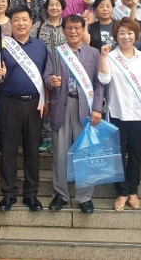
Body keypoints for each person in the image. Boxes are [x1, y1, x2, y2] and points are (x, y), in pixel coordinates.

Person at [43, 15, 104, 214]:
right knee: (60, 154)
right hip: (61, 105)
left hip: (85, 107)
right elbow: (46, 76)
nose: (73, 31)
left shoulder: (93, 53)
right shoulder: (56, 52)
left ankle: (85, 196)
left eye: (77, 27)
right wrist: (51, 82)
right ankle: (60, 194)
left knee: (84, 153)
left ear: (84, 29)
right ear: (63, 31)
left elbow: (99, 83)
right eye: (69, 28)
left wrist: (97, 108)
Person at [0, 6, 49, 212]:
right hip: (9, 103)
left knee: (32, 150)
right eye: (16, 20)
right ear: (11, 23)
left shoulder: (41, 47)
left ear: (31, 22)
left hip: (35, 104)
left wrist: (46, 101)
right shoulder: (1, 47)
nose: (21, 23)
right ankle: (8, 194)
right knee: (8, 150)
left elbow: (46, 76)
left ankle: (31, 194)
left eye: (25, 19)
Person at [98, 17, 141, 212]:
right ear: (116, 36)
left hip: (139, 113)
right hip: (117, 112)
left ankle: (133, 190)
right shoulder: (111, 57)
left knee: (136, 153)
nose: (126, 37)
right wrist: (103, 57)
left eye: (130, 33)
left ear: (136, 36)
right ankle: (121, 192)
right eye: (121, 33)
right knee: (119, 154)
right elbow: (104, 79)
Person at [31, 0, 67, 153]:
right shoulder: (38, 26)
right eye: (51, 4)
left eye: (57, 4)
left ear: (62, 8)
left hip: (64, 70)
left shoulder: (68, 25)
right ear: (46, 8)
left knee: (61, 102)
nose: (54, 7)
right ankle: (47, 138)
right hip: (43, 70)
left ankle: (62, 136)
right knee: (45, 102)